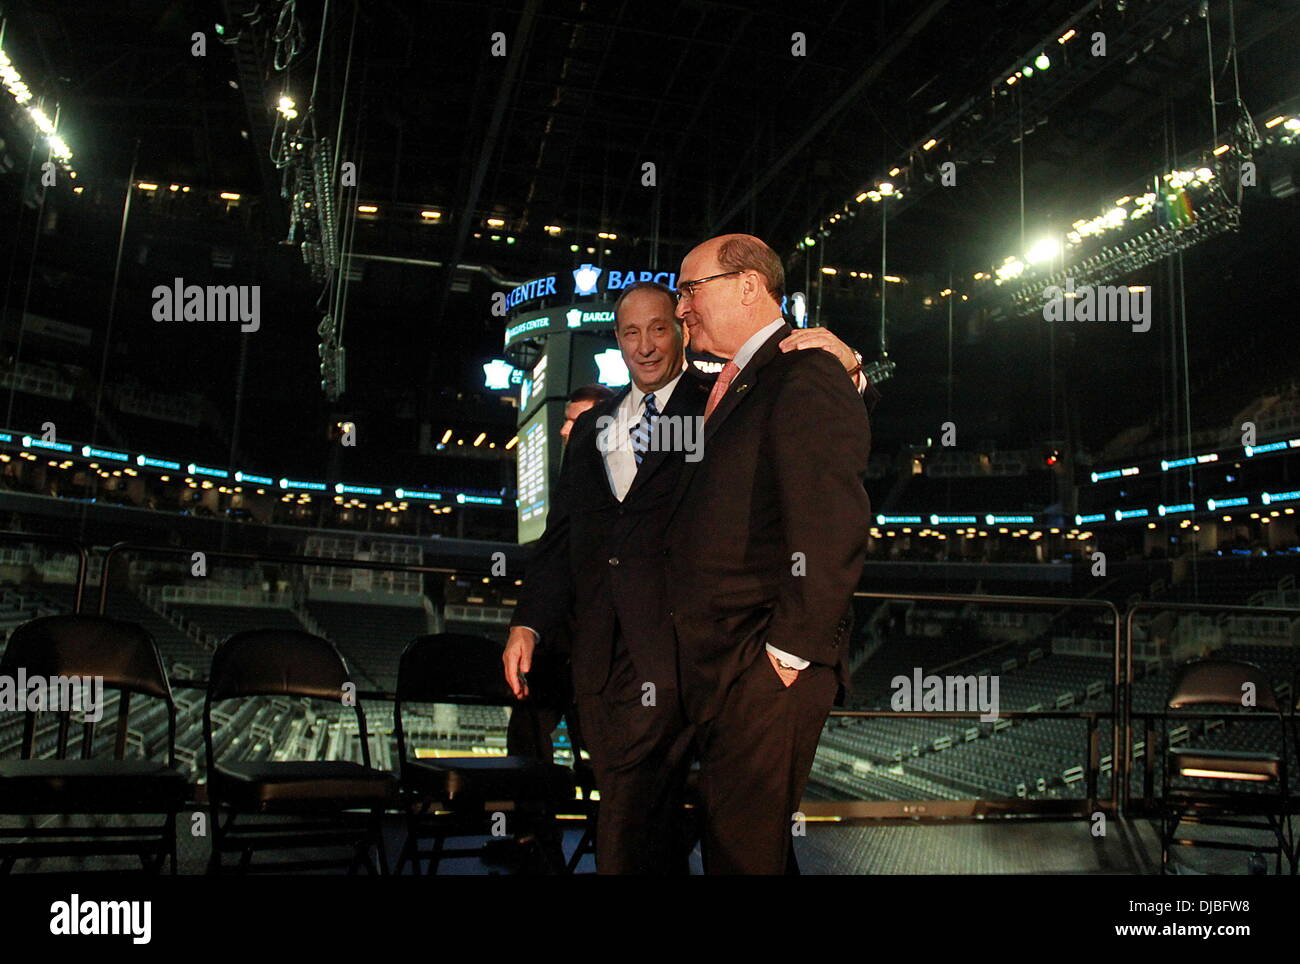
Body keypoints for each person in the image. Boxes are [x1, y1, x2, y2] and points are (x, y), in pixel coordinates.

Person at [504, 279, 868, 873]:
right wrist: (529, 622)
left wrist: (850, 366)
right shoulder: (593, 429)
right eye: (630, 332)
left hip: (708, 655)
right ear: (615, 342)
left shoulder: (722, 401)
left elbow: (805, 416)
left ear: (680, 330)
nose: (645, 345)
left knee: (743, 836)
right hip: (614, 667)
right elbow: (562, 541)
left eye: (659, 328)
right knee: (628, 835)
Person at [666, 233, 873, 874]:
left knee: (741, 852)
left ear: (749, 285)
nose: (680, 310)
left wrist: (787, 655)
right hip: (728, 663)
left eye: (690, 289)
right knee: (748, 847)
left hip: (766, 664)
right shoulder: (740, 380)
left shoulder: (805, 370)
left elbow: (833, 521)